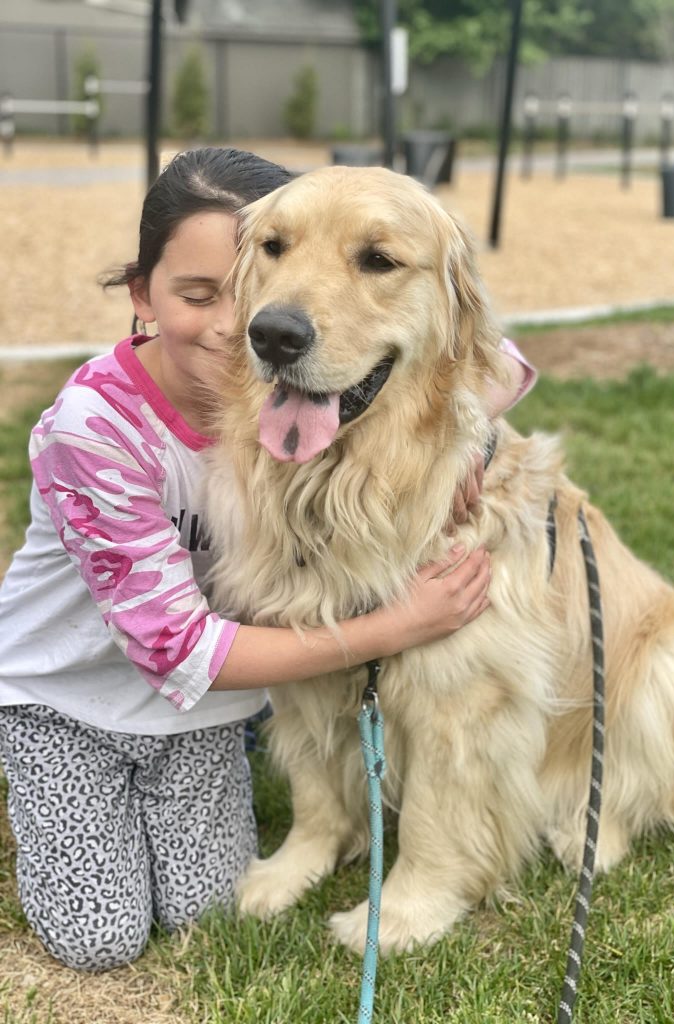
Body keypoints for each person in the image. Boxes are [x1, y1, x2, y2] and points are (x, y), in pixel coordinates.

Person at [0, 147, 536, 972]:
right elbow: (182, 649)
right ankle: (61, 774)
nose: (260, 318)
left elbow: (488, 361)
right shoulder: (97, 432)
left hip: (201, 717)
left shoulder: (281, 413)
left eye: (375, 259)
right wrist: (397, 625)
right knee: (98, 936)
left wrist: (465, 451)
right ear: (142, 295)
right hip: (77, 701)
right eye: (272, 256)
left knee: (203, 904)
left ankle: (371, 833)